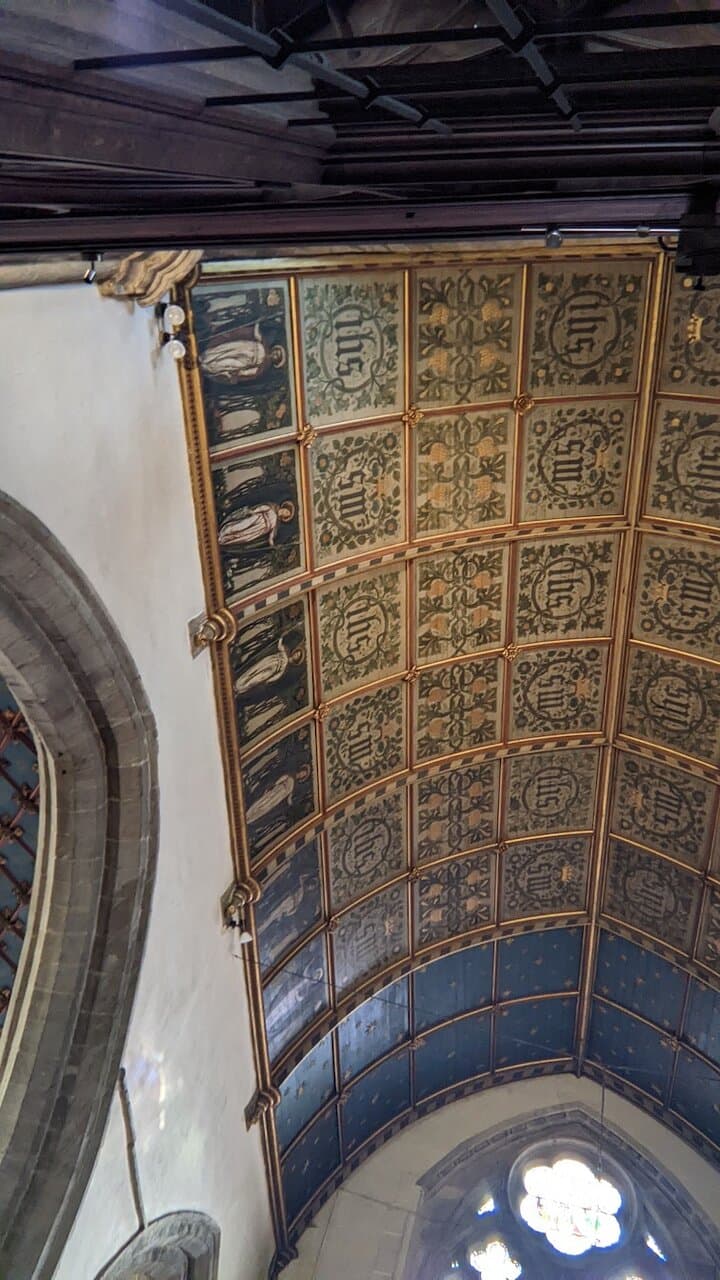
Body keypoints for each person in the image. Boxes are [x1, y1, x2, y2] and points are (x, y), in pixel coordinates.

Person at [201, 320, 286, 384]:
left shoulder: (263, 367)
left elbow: (252, 372)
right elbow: (255, 333)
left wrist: (239, 374)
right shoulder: (264, 344)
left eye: (276, 357)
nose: (274, 355)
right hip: (242, 346)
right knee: (223, 350)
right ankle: (205, 357)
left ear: (275, 361)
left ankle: (207, 366)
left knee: (225, 363)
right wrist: (256, 327)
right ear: (274, 349)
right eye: (276, 352)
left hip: (244, 361)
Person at [234, 639, 305, 697]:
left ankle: (240, 688)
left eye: (297, 656)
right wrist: (281, 637)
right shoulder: (286, 651)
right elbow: (279, 645)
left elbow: (278, 675)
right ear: (295, 651)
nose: (296, 655)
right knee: (252, 671)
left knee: (255, 679)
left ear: (297, 659)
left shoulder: (286, 667)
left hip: (269, 671)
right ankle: (238, 682)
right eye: (297, 653)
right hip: (266, 662)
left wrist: (269, 680)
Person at [218, 500, 294, 548]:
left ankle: (224, 540)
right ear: (284, 507)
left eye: (287, 515)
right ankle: (223, 532)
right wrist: (254, 511)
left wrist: (273, 545)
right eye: (286, 511)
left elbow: (272, 535)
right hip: (256, 519)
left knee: (244, 537)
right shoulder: (272, 507)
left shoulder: (277, 523)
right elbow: (262, 508)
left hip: (259, 530)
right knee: (240, 526)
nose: (285, 513)